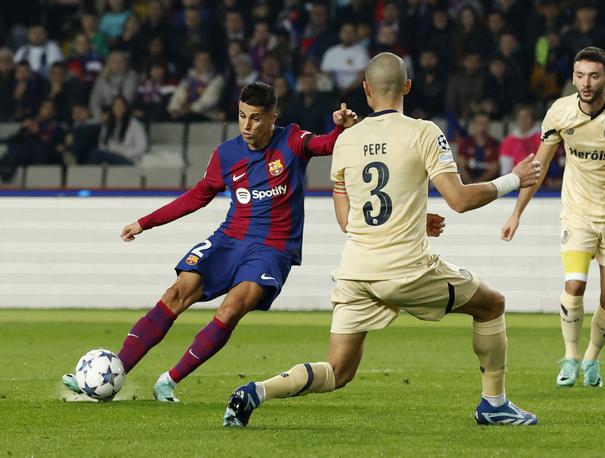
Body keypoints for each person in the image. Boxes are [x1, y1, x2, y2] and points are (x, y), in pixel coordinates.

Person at [223, 53, 541, 428]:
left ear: (366, 90)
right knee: (491, 305)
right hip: (406, 271)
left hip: (356, 272)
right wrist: (515, 179)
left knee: (338, 370)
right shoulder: (424, 132)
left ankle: (255, 392)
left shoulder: (346, 141)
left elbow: (347, 219)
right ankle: (495, 404)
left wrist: (411, 218)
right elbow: (459, 200)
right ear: (407, 86)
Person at [62, 82, 358, 402]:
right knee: (178, 292)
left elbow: (327, 144)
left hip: (272, 249)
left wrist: (340, 128)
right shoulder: (227, 154)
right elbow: (196, 197)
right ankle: (114, 372)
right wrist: (144, 223)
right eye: (242, 116)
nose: (247, 125)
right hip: (229, 239)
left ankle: (168, 381)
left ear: (274, 116)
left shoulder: (293, 141)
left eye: (256, 118)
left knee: (230, 308)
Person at [501, 47, 605, 388]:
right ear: (573, 78)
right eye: (579, 76)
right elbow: (538, 167)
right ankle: (571, 356)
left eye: (593, 76)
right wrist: (517, 212)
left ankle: (592, 358)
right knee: (574, 284)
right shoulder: (559, 112)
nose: (585, 83)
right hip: (578, 215)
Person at [87, 96, 146, 165]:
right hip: (111, 157)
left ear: (125, 107)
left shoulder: (134, 124)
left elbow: (141, 146)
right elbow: (102, 144)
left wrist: (124, 153)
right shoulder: (108, 125)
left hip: (128, 159)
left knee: (95, 153)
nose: (117, 108)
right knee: (92, 152)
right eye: (115, 106)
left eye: (120, 105)